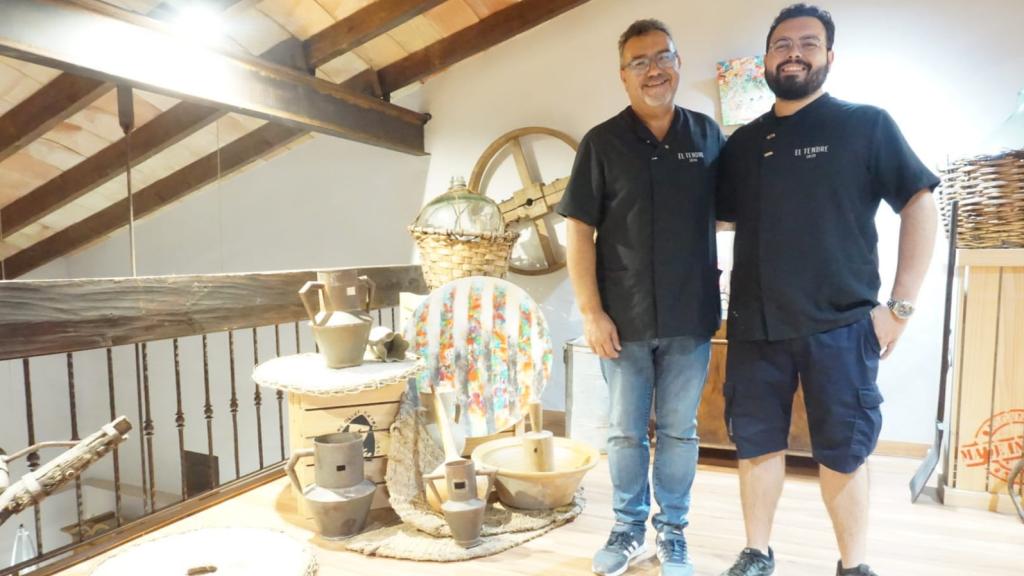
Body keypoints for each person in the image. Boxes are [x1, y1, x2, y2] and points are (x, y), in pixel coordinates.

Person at [715, 5, 939, 576]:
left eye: (808, 44)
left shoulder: (866, 125)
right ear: (765, 59)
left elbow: (919, 202)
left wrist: (901, 308)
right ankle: (757, 551)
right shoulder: (743, 143)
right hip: (755, 327)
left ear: (829, 57)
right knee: (756, 446)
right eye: (782, 44)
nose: (794, 53)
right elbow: (716, 221)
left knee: (844, 452)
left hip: (841, 328)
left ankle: (853, 565)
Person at [558, 18, 725, 576]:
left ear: (678, 62)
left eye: (663, 56)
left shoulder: (707, 136)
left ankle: (672, 532)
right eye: (640, 61)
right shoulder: (601, 143)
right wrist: (590, 311)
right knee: (625, 431)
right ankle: (628, 528)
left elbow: (735, 213)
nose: (654, 69)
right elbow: (578, 229)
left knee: (680, 431)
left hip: (690, 316)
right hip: (621, 319)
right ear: (623, 75)